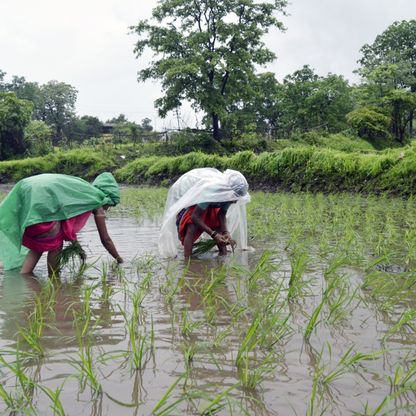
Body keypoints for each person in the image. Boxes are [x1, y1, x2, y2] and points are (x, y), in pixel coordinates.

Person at [0, 172, 123, 275]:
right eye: (110, 205)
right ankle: (55, 280)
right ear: (108, 197)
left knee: (38, 247)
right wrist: (119, 259)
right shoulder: (97, 201)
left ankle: (24, 278)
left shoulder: (82, 191)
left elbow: (66, 223)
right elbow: (105, 239)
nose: (107, 208)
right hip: (40, 205)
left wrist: (78, 248)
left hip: (31, 207)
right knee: (56, 243)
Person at [159, 168, 250, 259]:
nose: (234, 202)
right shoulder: (211, 190)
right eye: (235, 198)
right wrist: (214, 234)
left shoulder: (228, 196)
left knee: (217, 223)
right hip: (187, 193)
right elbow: (195, 217)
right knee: (191, 225)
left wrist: (225, 232)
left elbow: (221, 215)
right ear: (228, 191)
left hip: (205, 201)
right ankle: (188, 260)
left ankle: (223, 257)